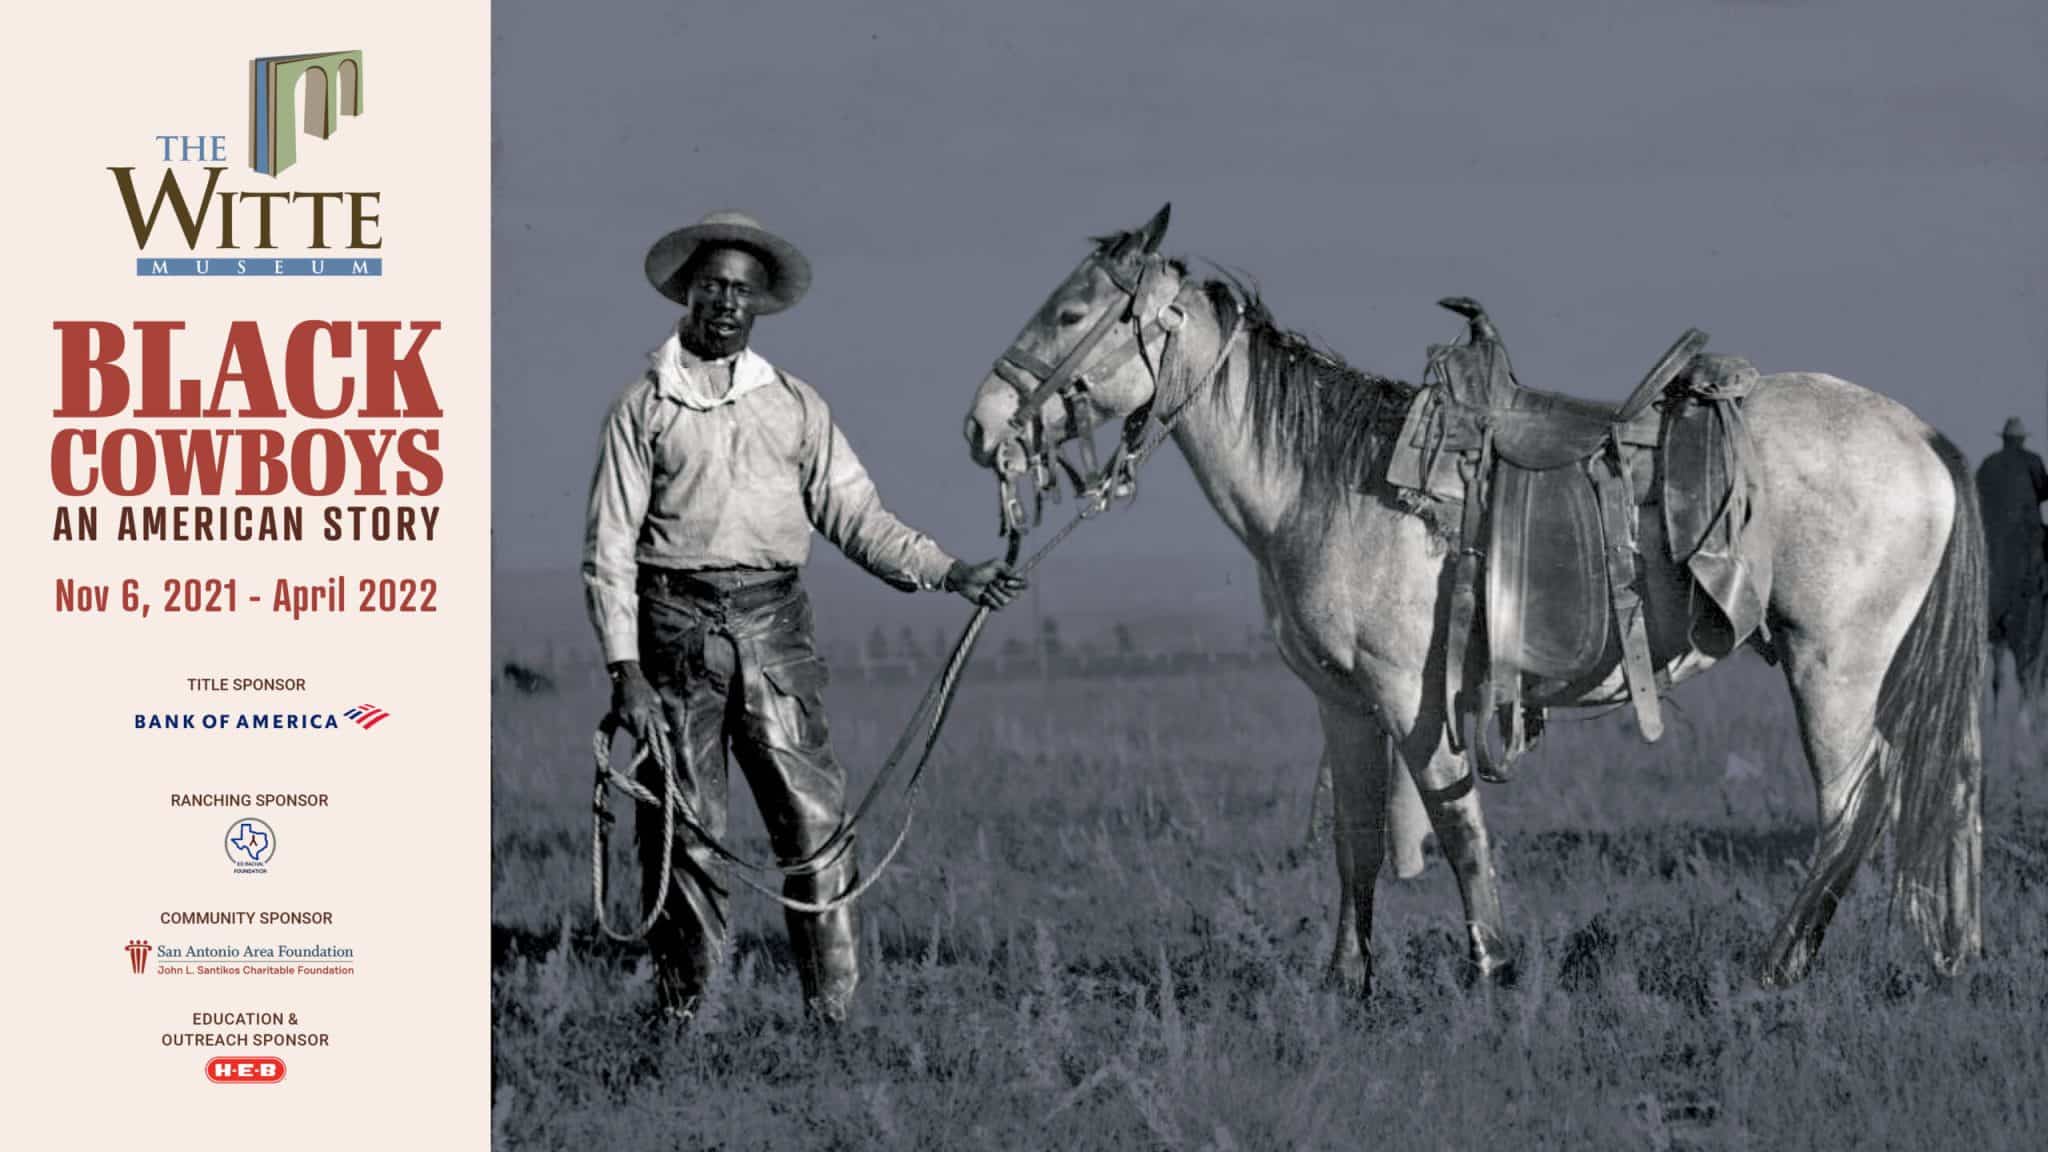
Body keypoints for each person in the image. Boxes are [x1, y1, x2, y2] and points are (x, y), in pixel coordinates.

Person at [583, 211, 1026, 1023]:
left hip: (776, 633)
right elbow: (609, 549)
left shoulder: (795, 407)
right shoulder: (642, 406)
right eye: (712, 285)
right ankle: (689, 1021)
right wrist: (626, 674)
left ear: (761, 306)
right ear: (687, 293)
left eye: (741, 290)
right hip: (673, 638)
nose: (725, 303)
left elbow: (858, 515)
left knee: (816, 829)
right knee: (685, 840)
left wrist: (953, 571)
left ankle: (835, 1021)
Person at [1977, 416, 2048, 692]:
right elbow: (2043, 491)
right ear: (2022, 440)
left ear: (2003, 439)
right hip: (2026, 541)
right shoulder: (2032, 461)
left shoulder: (1988, 464)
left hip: (1991, 548)